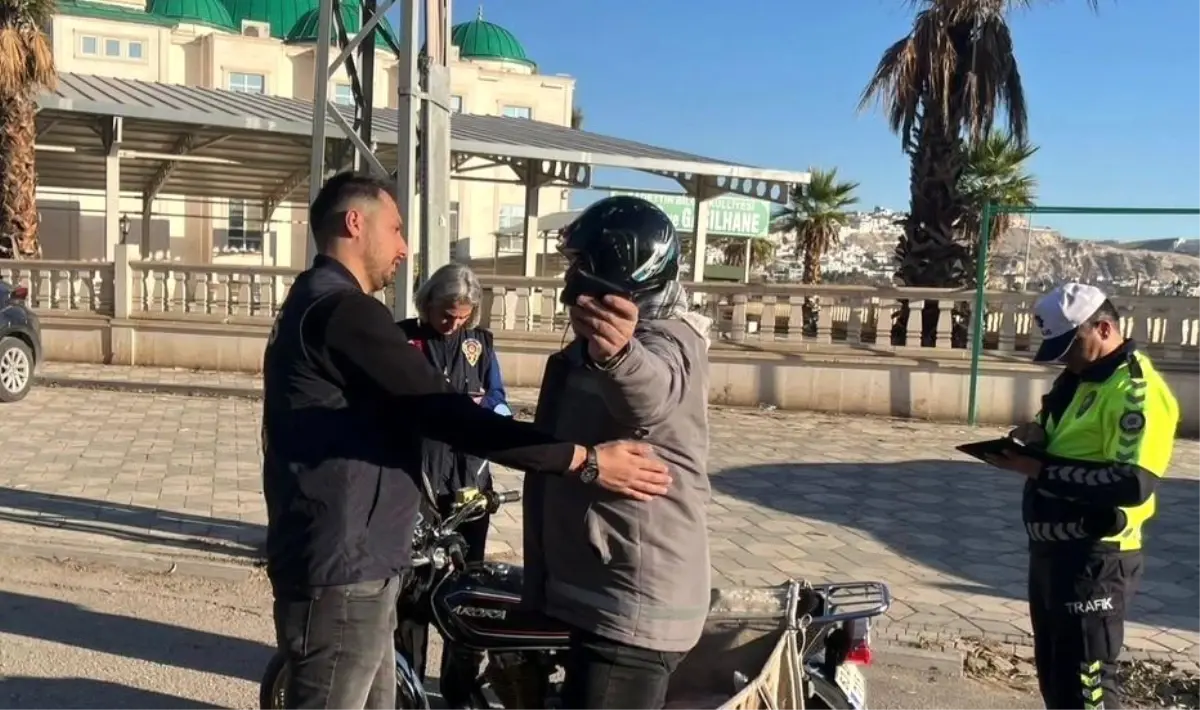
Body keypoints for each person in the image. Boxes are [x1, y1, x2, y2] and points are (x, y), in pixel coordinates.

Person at [261, 171, 673, 710]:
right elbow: (450, 414)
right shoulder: (344, 310)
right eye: (396, 229)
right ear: (355, 223)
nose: (404, 248)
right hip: (343, 568)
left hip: (358, 560)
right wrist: (582, 460)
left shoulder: (311, 300)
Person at [522, 195, 713, 710]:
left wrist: (621, 356)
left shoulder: (665, 338)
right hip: (602, 592)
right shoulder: (594, 346)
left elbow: (650, 396)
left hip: (630, 607)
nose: (569, 280)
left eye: (581, 266)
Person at [986, 282, 1179, 710]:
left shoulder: (1135, 391)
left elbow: (1132, 483)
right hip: (1052, 554)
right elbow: (1063, 435)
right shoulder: (1077, 377)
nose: (1064, 358)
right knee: (1057, 683)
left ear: (1104, 328)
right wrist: (1034, 437)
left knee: (1088, 690)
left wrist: (1037, 468)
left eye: (1070, 346)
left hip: (1096, 559)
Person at [395, 262, 508, 698]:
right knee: (414, 592)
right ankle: (408, 687)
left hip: (469, 485)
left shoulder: (480, 344)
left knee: (467, 588)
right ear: (426, 304)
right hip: (416, 482)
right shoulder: (402, 340)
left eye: (462, 316)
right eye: (446, 314)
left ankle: (460, 690)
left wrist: (487, 409)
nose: (454, 324)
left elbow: (498, 399)